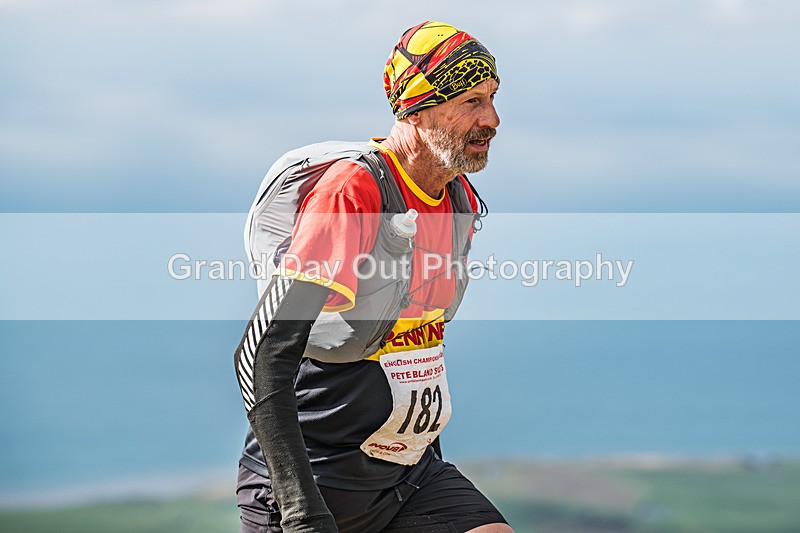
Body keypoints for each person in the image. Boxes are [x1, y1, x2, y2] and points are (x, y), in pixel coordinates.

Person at [234, 21, 512, 533]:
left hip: (410, 477)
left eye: (493, 98)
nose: (492, 119)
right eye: (472, 101)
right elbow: (261, 354)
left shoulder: (456, 199)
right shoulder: (352, 193)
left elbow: (417, 350)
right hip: (313, 480)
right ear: (418, 109)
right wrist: (299, 508)